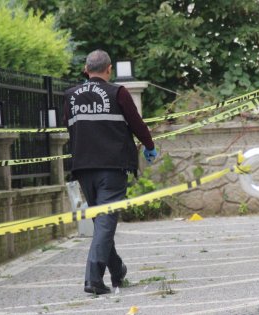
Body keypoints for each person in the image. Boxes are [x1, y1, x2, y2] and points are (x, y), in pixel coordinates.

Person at [64, 49, 157, 295]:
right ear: (109, 69)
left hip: (83, 167)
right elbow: (136, 123)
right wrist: (149, 146)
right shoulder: (118, 92)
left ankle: (117, 270)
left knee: (102, 222)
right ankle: (93, 279)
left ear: (86, 69)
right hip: (112, 167)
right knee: (105, 223)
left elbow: (70, 129)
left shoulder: (70, 95)